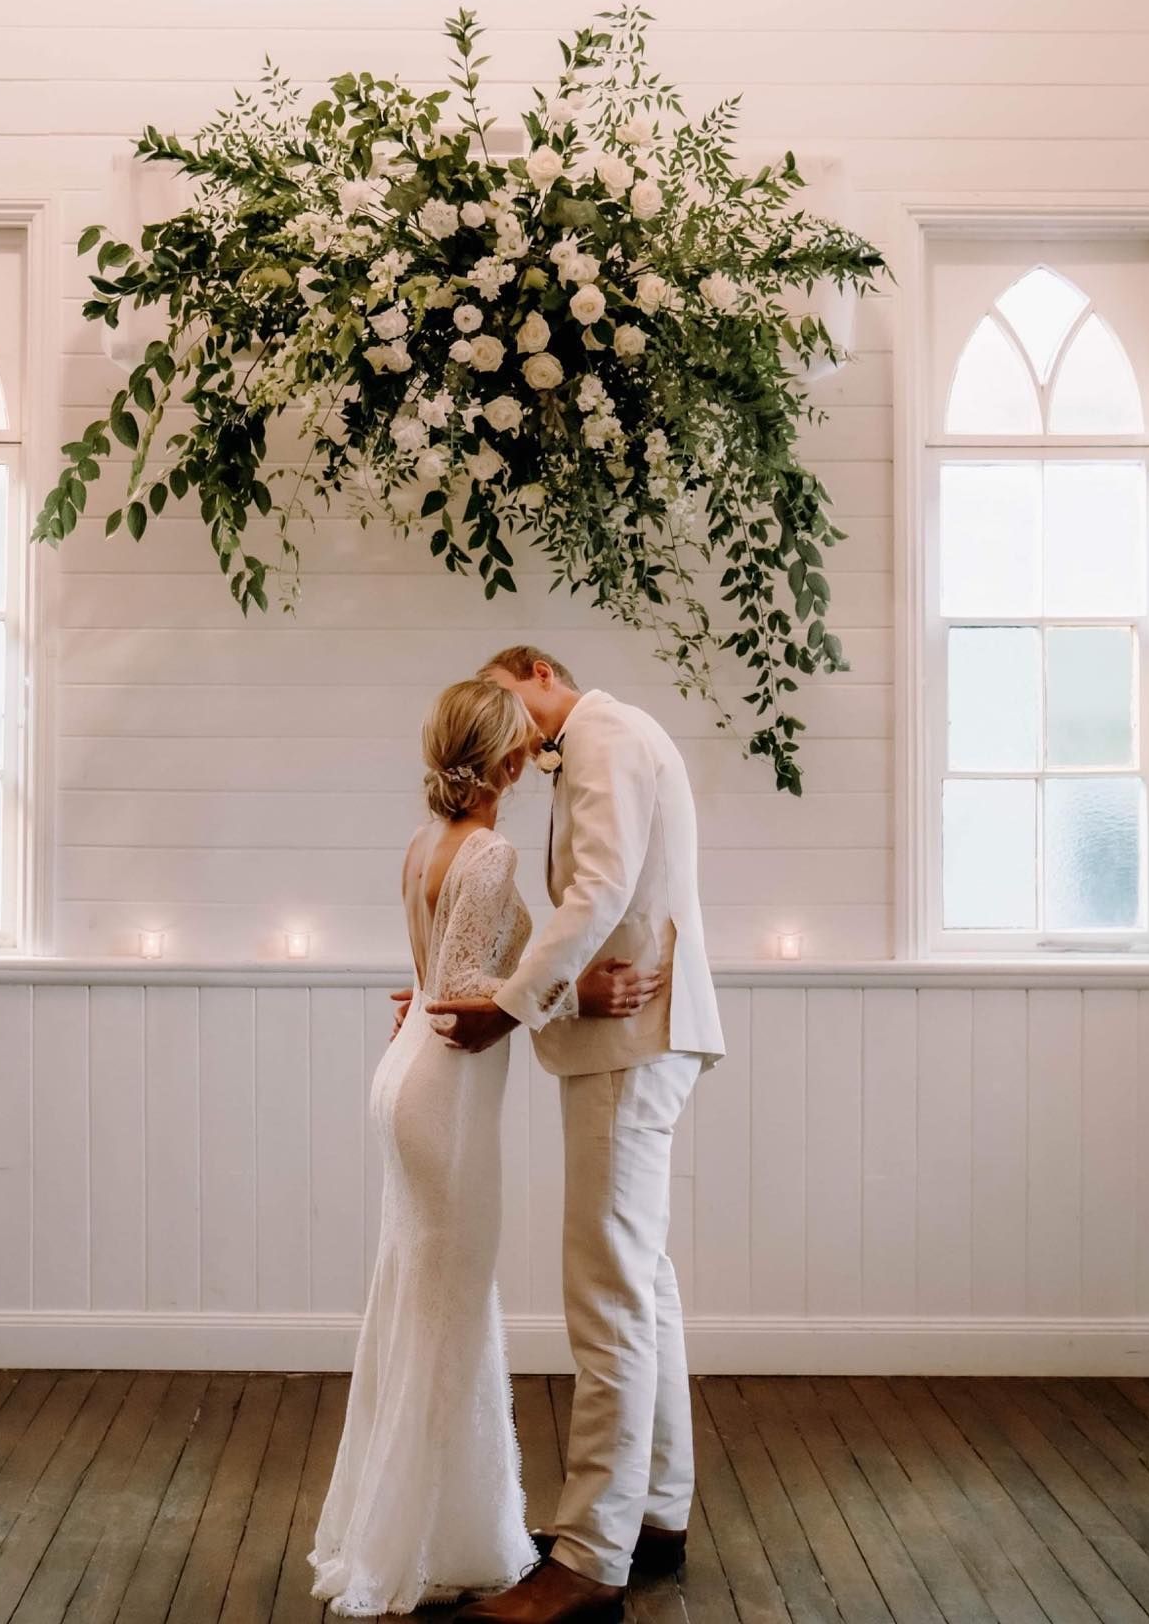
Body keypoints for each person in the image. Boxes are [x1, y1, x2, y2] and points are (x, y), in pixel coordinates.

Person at [435, 647, 726, 1624]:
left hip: (629, 1044)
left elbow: (595, 893)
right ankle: (654, 1512)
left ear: (539, 671)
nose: (509, 734)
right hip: (639, 1039)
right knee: (642, 1285)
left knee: (605, 1294)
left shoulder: (601, 736)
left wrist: (509, 1008)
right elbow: (599, 901)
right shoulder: (613, 739)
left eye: (507, 701)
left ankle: (590, 1558)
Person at [308, 677, 542, 1616]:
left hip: (404, 1076)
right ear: (511, 761)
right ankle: (412, 1548)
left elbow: (438, 975)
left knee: (422, 1304)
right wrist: (563, 992)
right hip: (444, 1087)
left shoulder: (423, 845)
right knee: (449, 1312)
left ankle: (433, 1526)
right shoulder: (490, 852)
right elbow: (464, 990)